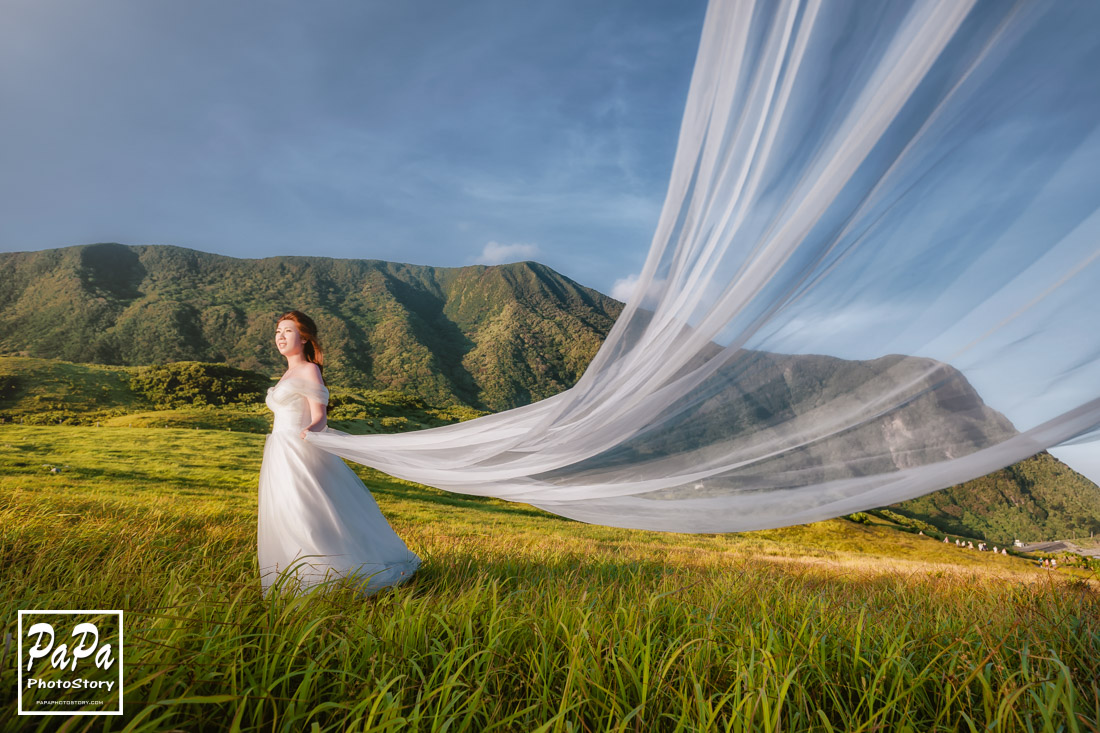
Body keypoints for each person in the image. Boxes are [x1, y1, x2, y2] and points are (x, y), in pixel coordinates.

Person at [257, 310, 421, 597]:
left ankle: (330, 573)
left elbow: (320, 416)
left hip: (299, 448)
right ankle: (297, 573)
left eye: (288, 331)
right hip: (279, 451)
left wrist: (310, 431)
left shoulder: (309, 369)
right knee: (287, 510)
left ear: (304, 337)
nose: (280, 337)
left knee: (307, 512)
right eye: (277, 332)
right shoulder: (286, 373)